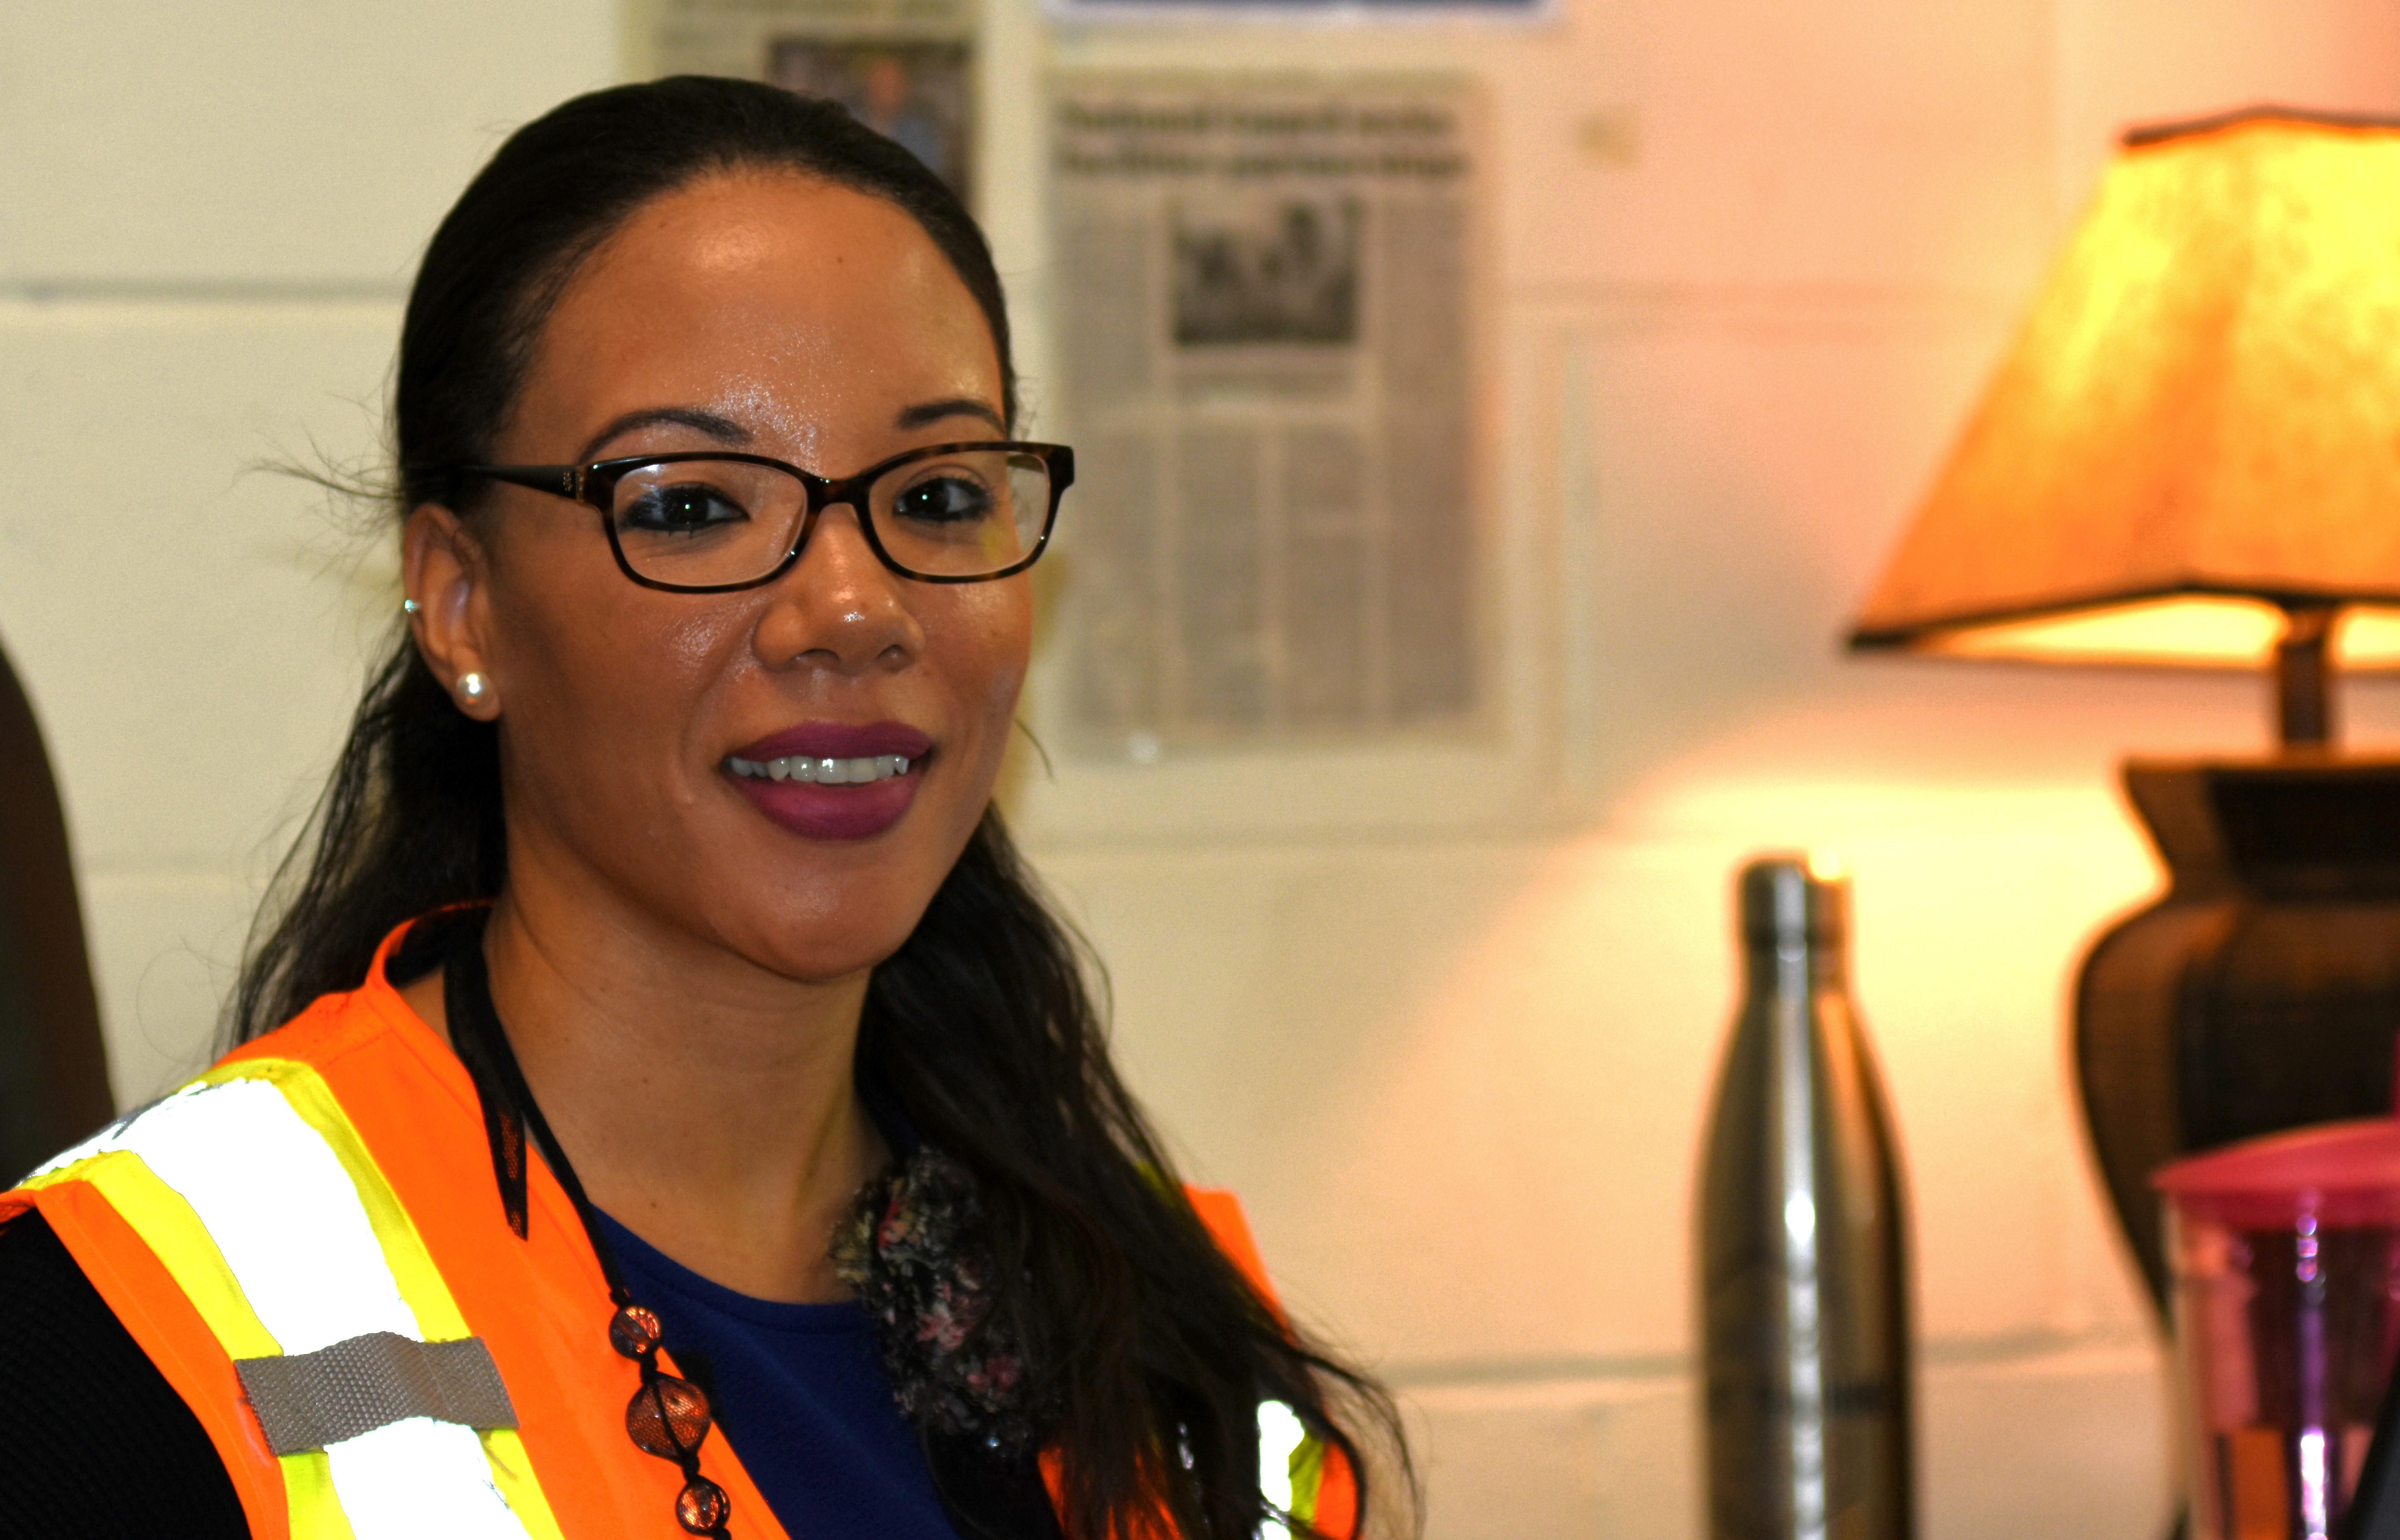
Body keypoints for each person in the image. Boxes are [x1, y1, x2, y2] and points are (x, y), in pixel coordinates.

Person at [0, 77, 1402, 1540]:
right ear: (464, 605)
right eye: (691, 505)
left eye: (935, 496)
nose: (853, 608)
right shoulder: (118, 1351)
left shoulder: (1157, 1331)